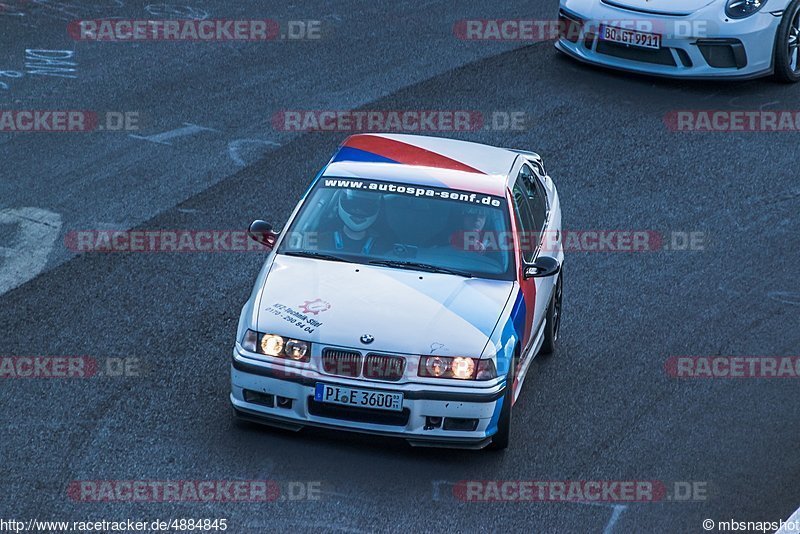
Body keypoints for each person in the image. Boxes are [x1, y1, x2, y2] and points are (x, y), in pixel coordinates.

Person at [320, 189, 382, 254]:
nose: (358, 211)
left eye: (367, 207)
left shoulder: (386, 247)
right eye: (352, 205)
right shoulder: (316, 240)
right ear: (338, 205)